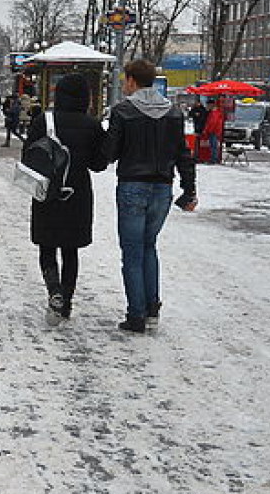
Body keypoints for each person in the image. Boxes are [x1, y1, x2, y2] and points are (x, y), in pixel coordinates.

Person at [104, 59, 198, 333]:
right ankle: (152, 308)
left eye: (125, 80)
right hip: (163, 188)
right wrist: (189, 188)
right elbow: (183, 154)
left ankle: (136, 315)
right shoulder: (173, 113)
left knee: (132, 252)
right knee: (149, 246)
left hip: (132, 185)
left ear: (133, 80)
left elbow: (109, 153)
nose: (123, 85)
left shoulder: (123, 111)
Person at [24, 73, 108, 324]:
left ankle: (54, 291)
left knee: (47, 247)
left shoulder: (43, 120)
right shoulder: (92, 125)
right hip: (77, 194)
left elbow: (29, 156)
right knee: (71, 251)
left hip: (47, 193)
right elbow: (99, 164)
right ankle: (66, 304)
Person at [201, 99, 225, 164]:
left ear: (211, 105)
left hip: (213, 131)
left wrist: (207, 130)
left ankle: (213, 159)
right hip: (215, 131)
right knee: (214, 145)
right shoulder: (215, 112)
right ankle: (214, 158)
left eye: (208, 105)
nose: (207, 106)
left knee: (213, 146)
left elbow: (212, 123)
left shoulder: (214, 113)